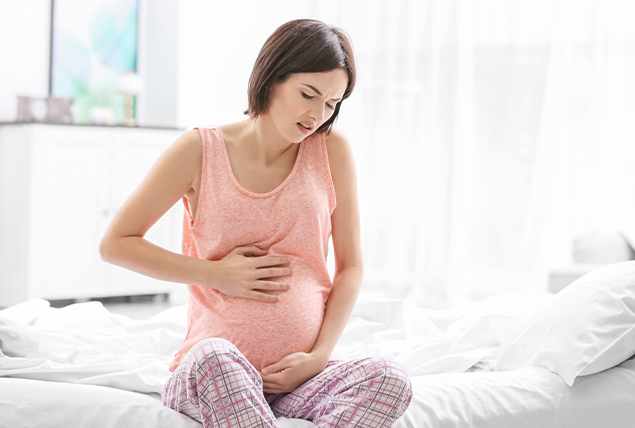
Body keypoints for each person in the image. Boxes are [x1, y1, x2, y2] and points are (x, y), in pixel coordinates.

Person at [99, 18, 412, 428]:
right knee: (215, 357)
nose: (318, 114)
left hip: (299, 384)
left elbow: (351, 266)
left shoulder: (332, 151)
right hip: (214, 375)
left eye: (332, 104)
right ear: (271, 78)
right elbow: (116, 242)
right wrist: (215, 274)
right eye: (308, 94)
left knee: (389, 378)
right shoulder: (199, 149)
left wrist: (318, 357)